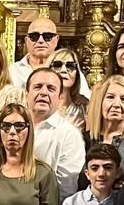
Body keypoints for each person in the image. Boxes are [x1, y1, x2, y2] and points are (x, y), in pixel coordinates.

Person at [26, 66, 85, 198]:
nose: (43, 92)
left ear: (60, 98)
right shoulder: (13, 127)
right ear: (26, 94)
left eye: (51, 89)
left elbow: (66, 189)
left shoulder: (69, 135)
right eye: (37, 87)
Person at [87, 74, 124, 178]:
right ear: (100, 103)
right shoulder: (84, 140)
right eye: (110, 97)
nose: (116, 104)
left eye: (123, 99)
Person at [11, 15, 60, 87]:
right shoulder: (12, 71)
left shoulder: (66, 69)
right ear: (26, 41)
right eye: (34, 36)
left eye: (47, 36)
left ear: (57, 39)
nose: (40, 40)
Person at [49, 48, 88, 129]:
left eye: (70, 66)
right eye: (57, 65)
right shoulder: (39, 103)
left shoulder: (85, 107)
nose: (64, 70)